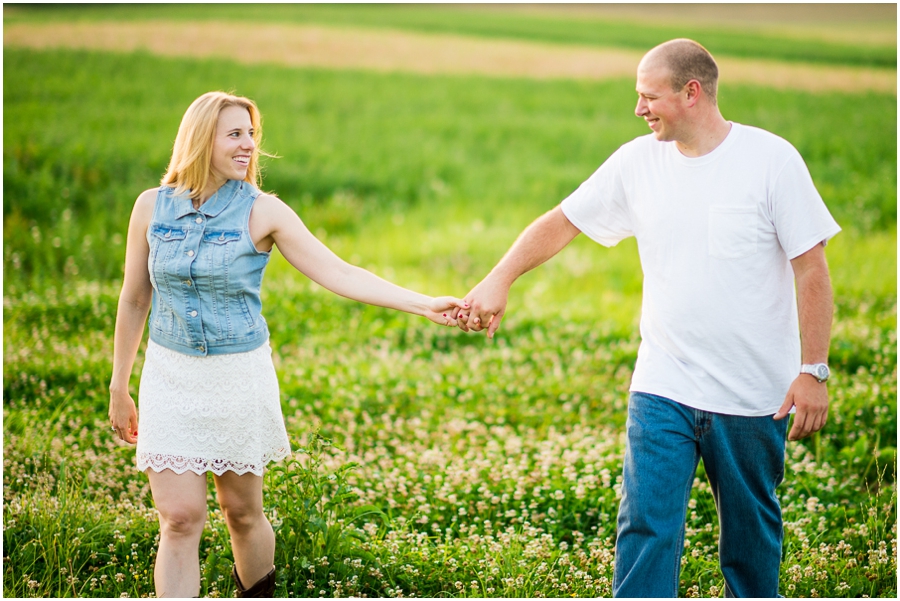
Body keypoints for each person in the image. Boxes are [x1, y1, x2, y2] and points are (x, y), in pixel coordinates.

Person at [455, 39, 840, 597]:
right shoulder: (638, 161)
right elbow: (562, 221)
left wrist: (815, 369)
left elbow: (812, 269)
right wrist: (500, 277)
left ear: (691, 92)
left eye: (647, 97)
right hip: (664, 383)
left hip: (754, 394)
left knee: (751, 540)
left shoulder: (771, 160)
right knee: (644, 528)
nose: (639, 109)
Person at [108, 91, 464, 598]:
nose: (249, 145)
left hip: (236, 378)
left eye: (252, 134)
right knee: (180, 519)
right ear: (201, 138)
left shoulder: (263, 212)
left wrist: (424, 303)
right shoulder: (151, 207)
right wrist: (119, 384)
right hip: (169, 375)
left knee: (242, 514)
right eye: (235, 134)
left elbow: (339, 271)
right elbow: (134, 297)